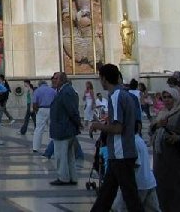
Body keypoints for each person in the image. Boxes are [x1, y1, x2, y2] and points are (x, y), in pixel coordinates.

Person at [89, 63, 142, 212]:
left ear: (104, 79)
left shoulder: (116, 96)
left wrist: (98, 126)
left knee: (130, 197)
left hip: (121, 153)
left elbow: (118, 128)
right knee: (106, 194)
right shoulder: (125, 94)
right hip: (118, 154)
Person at [149, 85, 180, 210]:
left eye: (169, 97)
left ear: (176, 98)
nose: (166, 100)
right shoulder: (162, 114)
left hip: (178, 165)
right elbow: (151, 132)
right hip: (161, 166)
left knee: (179, 197)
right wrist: (157, 125)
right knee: (163, 197)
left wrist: (179, 138)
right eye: (164, 97)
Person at [111, 134, 160, 212]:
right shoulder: (139, 139)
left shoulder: (130, 142)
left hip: (137, 184)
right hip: (149, 182)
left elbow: (136, 164)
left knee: (120, 208)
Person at [48, 72, 81, 186]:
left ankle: (63, 177)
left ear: (62, 80)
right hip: (65, 128)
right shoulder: (64, 91)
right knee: (69, 155)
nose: (53, 80)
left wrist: (78, 123)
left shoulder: (66, 92)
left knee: (61, 155)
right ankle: (72, 177)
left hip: (63, 128)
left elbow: (71, 110)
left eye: (55, 78)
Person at [32, 79, 56, 153]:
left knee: (38, 129)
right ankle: (51, 147)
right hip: (51, 109)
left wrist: (36, 111)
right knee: (52, 129)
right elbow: (56, 101)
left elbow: (34, 103)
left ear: (39, 84)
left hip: (41, 109)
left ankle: (35, 147)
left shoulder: (37, 91)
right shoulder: (52, 90)